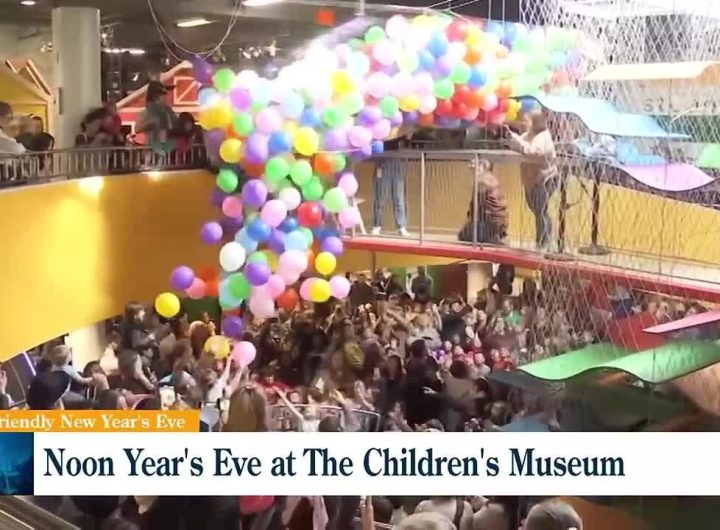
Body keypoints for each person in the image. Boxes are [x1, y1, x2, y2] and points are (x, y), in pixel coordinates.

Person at [506, 111, 559, 251]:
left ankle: (544, 242)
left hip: (545, 178)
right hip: (530, 178)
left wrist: (519, 142)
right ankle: (542, 240)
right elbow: (517, 146)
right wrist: (510, 137)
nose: (524, 123)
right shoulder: (527, 136)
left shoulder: (543, 136)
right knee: (536, 210)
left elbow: (535, 152)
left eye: (527, 120)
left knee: (540, 210)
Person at [458, 159, 508, 245]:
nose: (471, 166)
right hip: (497, 221)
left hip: (488, 221)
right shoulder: (490, 178)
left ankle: (490, 238)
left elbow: (477, 207)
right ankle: (495, 236)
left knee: (463, 236)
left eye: (475, 164)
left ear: (483, 166)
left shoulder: (481, 180)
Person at [372, 132, 409, 237]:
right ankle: (377, 225)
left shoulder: (398, 131)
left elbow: (406, 141)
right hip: (382, 162)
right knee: (380, 197)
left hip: (397, 163)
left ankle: (401, 227)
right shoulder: (380, 131)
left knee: (399, 198)